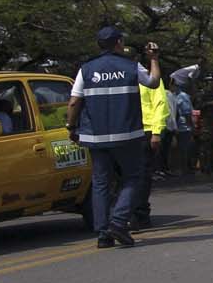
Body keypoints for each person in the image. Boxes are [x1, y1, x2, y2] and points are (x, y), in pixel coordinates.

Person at [66, 27, 160, 249]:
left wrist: (71, 126)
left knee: (101, 182)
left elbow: (74, 102)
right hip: (127, 136)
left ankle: (103, 233)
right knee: (133, 178)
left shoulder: (86, 69)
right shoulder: (130, 65)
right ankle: (118, 222)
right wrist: (154, 58)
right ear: (118, 42)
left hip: (96, 137)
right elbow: (154, 82)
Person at [135, 63, 170, 229]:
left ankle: (140, 215)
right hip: (124, 132)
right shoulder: (118, 78)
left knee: (141, 175)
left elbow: (160, 104)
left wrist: (156, 132)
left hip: (146, 131)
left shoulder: (149, 79)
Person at [195, 80, 213, 174]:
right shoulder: (202, 94)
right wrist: (208, 104)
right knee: (205, 145)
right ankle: (205, 166)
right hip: (206, 122)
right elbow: (197, 106)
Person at [170, 79, 195, 176]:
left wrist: (191, 125)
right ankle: (182, 168)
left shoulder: (182, 96)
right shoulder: (175, 95)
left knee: (184, 149)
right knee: (182, 149)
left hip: (184, 126)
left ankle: (184, 169)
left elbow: (187, 113)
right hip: (180, 127)